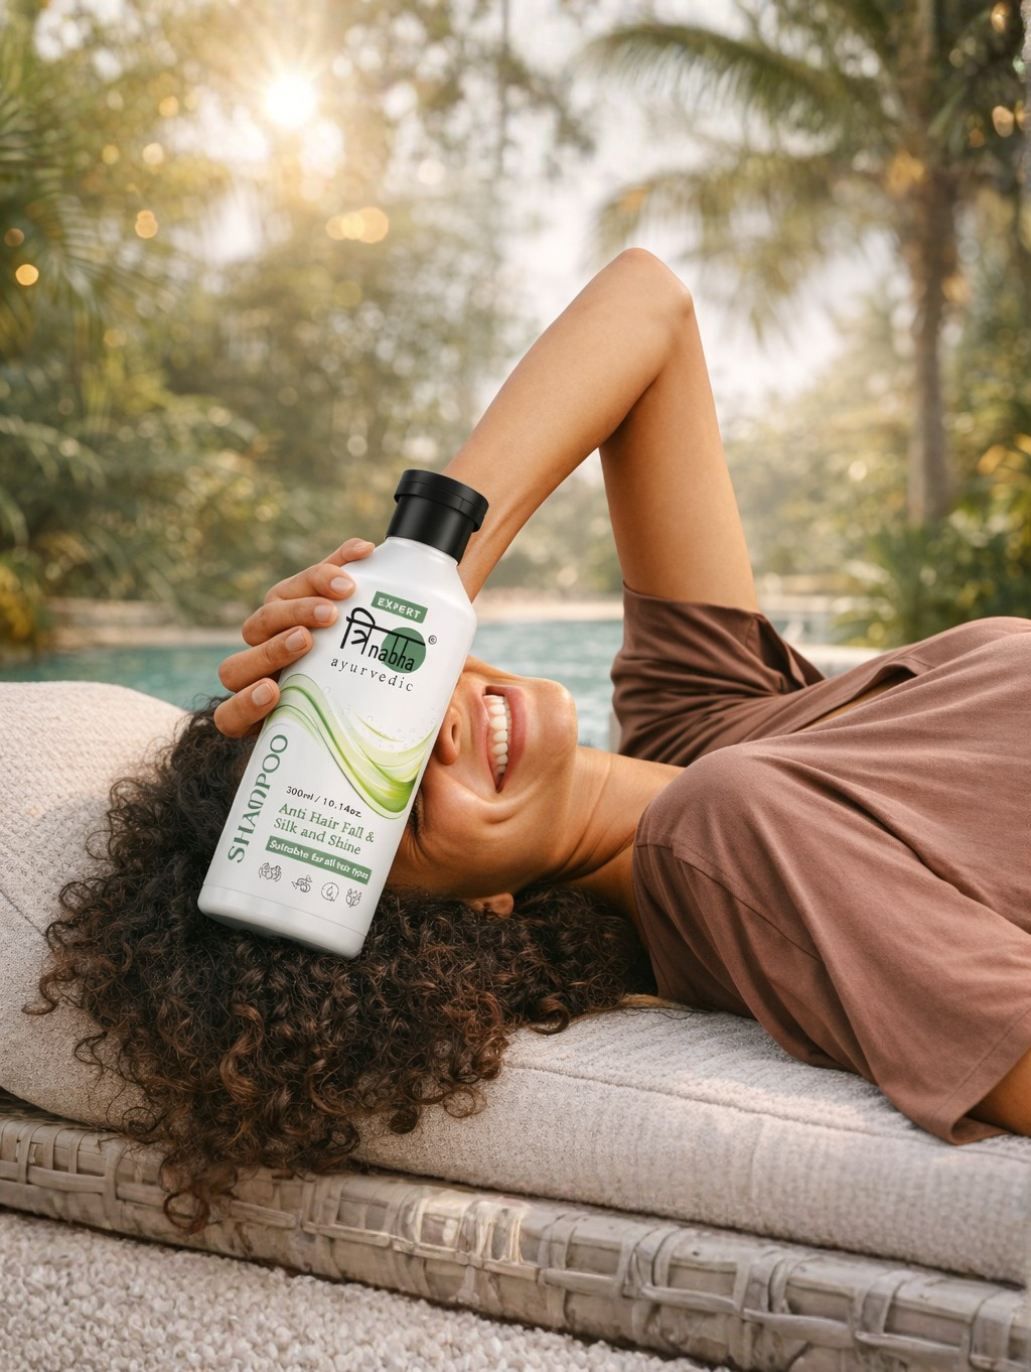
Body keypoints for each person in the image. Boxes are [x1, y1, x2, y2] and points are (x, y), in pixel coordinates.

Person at [29, 250, 1031, 1236]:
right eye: (399, 795)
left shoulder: (695, 721)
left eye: (372, 705)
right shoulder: (717, 833)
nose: (431, 728)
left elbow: (648, 309)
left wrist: (419, 570)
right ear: (480, 910)